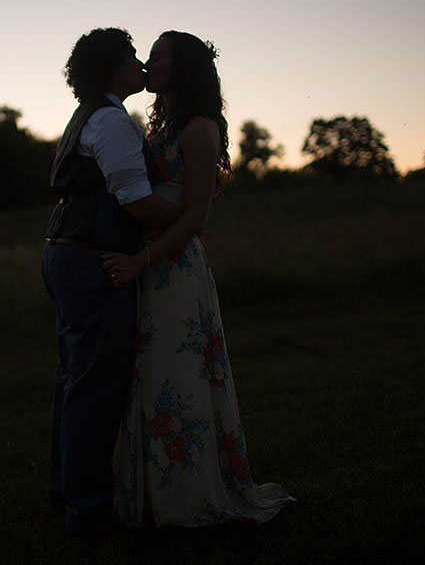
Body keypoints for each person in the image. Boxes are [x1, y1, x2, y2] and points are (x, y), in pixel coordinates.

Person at [102, 30, 296, 526]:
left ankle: (186, 494)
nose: (148, 61)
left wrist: (140, 261)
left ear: (181, 66)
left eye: (158, 54)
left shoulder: (199, 128)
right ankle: (148, 490)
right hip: (145, 261)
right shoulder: (161, 126)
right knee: (146, 378)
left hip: (172, 270)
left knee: (176, 376)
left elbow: (195, 219)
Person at [42, 27, 181, 538]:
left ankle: (68, 491)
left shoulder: (88, 117)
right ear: (113, 67)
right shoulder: (112, 121)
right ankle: (90, 511)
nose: (142, 62)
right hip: (91, 260)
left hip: (65, 253)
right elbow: (135, 201)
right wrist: (187, 218)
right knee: (95, 387)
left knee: (74, 379)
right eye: (132, 56)